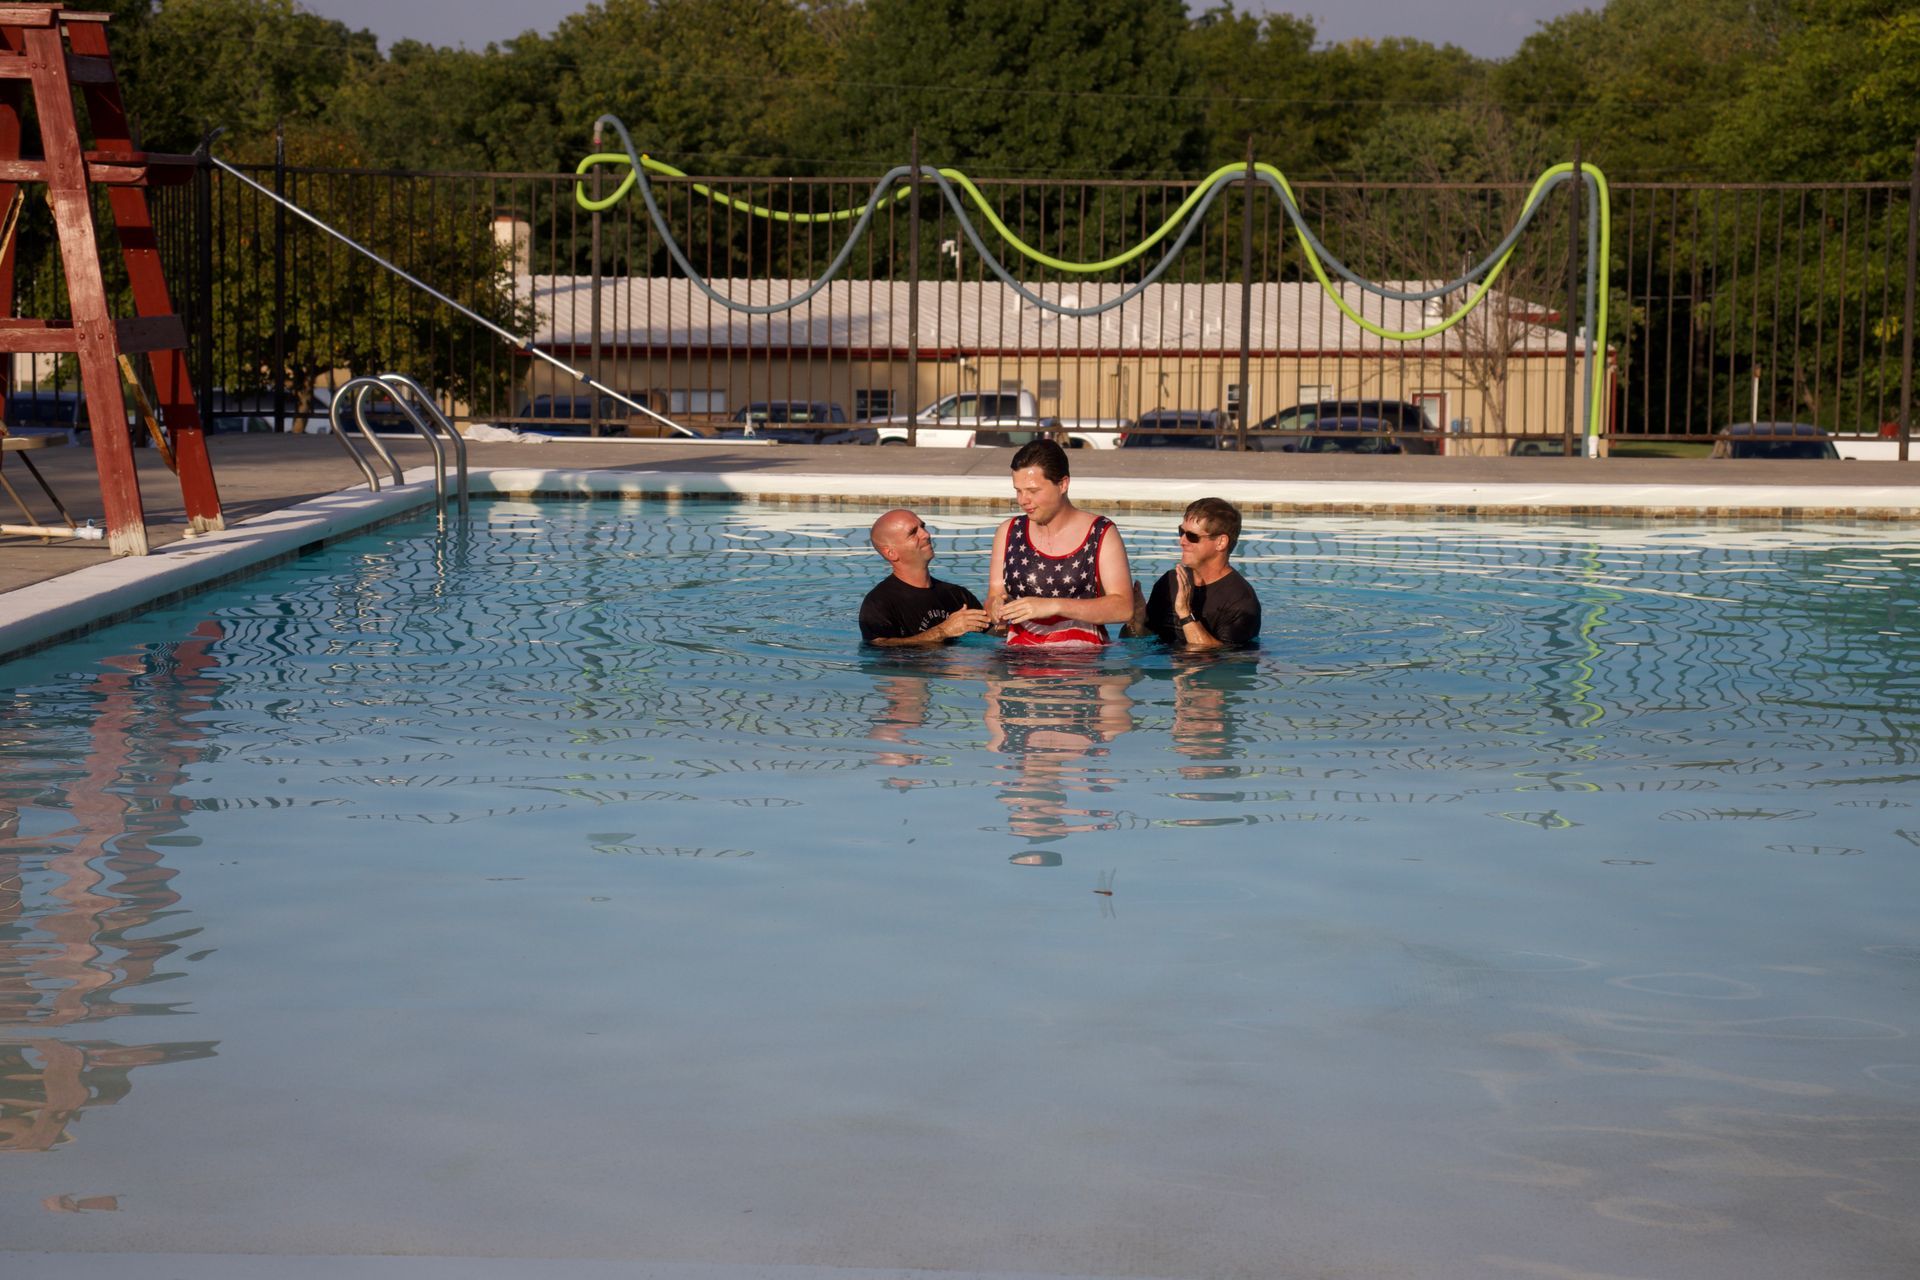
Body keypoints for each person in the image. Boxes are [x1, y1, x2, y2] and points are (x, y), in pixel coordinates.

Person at [987, 439, 1133, 648]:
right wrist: (995, 608)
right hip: (1020, 660)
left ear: (1063, 484)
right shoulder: (1008, 532)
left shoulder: (1100, 532)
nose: (1022, 500)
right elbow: (993, 595)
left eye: (1033, 491)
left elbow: (1123, 607)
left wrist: (1053, 605)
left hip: (1082, 661)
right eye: (1018, 490)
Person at [1126, 497, 1261, 649]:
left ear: (1221, 542)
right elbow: (1140, 643)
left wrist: (1185, 613)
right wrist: (1136, 621)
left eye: (1192, 536)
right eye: (1181, 532)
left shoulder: (1241, 602)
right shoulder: (1170, 582)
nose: (1182, 541)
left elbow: (1225, 664)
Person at [859, 508, 990, 645]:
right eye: (913, 533)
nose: (926, 534)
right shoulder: (878, 603)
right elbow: (879, 648)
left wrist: (1003, 617)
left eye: (923, 526)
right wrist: (943, 631)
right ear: (891, 553)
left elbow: (992, 638)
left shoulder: (957, 595)